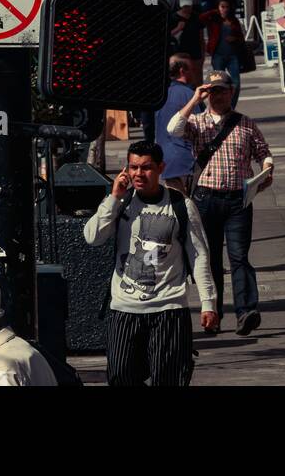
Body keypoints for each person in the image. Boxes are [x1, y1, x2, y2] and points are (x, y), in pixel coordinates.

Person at [83, 139, 218, 386]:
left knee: (169, 379)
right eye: (133, 167)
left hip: (169, 309)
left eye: (146, 167)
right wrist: (113, 198)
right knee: (120, 377)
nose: (138, 174)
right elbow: (92, 237)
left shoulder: (181, 205)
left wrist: (208, 303)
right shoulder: (120, 202)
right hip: (125, 308)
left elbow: (199, 255)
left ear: (160, 168)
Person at [168, 70, 273, 336]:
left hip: (238, 199)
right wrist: (194, 99)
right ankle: (212, 314)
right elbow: (173, 129)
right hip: (206, 199)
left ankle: (246, 312)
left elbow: (263, 153)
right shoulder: (197, 123)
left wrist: (267, 168)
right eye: (212, 91)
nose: (218, 96)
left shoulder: (245, 123)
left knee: (239, 257)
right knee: (209, 259)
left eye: (222, 90)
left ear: (231, 92)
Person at [155, 56, 197, 193]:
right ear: (182, 71)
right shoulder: (190, 95)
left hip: (166, 160)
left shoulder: (161, 96)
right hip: (186, 161)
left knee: (175, 208)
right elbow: (201, 126)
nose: (194, 73)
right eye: (191, 70)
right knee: (190, 210)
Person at [202, 0, 247, 107]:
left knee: (236, 83)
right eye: (222, 7)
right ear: (218, 8)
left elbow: (241, 38)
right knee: (218, 83)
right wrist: (214, 11)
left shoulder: (233, 20)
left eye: (227, 7)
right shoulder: (214, 20)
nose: (225, 9)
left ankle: (230, 107)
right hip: (218, 55)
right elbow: (201, 18)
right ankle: (220, 106)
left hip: (232, 56)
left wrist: (234, 39)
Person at [169, 0, 204, 85]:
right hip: (180, 53)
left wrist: (202, 55)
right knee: (181, 78)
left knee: (196, 78)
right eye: (185, 6)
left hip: (195, 53)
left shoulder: (196, 17)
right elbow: (167, 36)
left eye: (189, 5)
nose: (187, 8)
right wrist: (178, 28)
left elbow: (201, 37)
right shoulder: (173, 18)